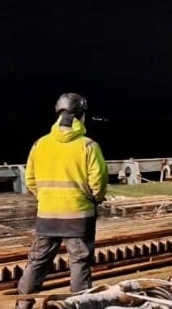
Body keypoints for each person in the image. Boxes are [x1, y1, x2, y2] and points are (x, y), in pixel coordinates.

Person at [16, 93, 109, 309]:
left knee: (37, 261)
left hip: (47, 215)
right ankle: (80, 305)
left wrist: (45, 197)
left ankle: (22, 305)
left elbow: (29, 178)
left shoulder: (40, 144)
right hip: (78, 216)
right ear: (81, 116)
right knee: (79, 264)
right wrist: (93, 199)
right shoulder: (88, 146)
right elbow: (99, 181)